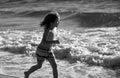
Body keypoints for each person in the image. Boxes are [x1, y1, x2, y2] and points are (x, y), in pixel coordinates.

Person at [24, 11, 60, 78]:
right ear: (52, 22)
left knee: (54, 66)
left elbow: (51, 38)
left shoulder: (53, 29)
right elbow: (45, 41)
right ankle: (27, 73)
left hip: (48, 51)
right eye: (57, 21)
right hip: (42, 51)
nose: (59, 22)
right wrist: (54, 42)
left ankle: (27, 73)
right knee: (39, 66)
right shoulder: (47, 30)